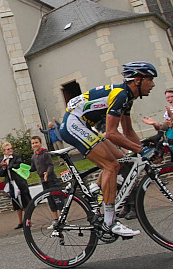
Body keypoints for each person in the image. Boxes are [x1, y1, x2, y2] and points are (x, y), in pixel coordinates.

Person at [58, 61, 160, 237]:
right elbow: (112, 133)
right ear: (137, 80)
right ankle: (109, 222)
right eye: (150, 79)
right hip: (72, 123)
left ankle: (96, 187)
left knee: (120, 160)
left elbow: (128, 132)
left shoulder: (127, 98)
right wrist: (141, 150)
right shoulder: (120, 95)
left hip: (84, 124)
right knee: (111, 166)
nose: (153, 84)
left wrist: (143, 148)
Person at [0, 142, 32, 230]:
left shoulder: (16, 156)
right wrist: (3, 167)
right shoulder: (1, 159)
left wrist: (8, 165)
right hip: (10, 183)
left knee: (25, 201)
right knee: (16, 203)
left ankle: (28, 220)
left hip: (19, 181)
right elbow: (0, 173)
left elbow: (18, 165)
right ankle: (20, 222)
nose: (10, 150)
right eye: (8, 149)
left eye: (11, 148)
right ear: (4, 151)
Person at [29, 136, 63, 223]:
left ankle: (62, 218)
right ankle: (56, 220)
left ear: (40, 143)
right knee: (50, 200)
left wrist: (47, 173)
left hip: (52, 180)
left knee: (57, 199)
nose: (34, 145)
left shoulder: (46, 153)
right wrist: (24, 169)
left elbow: (50, 165)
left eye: (36, 142)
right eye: (33, 143)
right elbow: (33, 168)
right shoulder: (34, 156)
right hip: (44, 182)